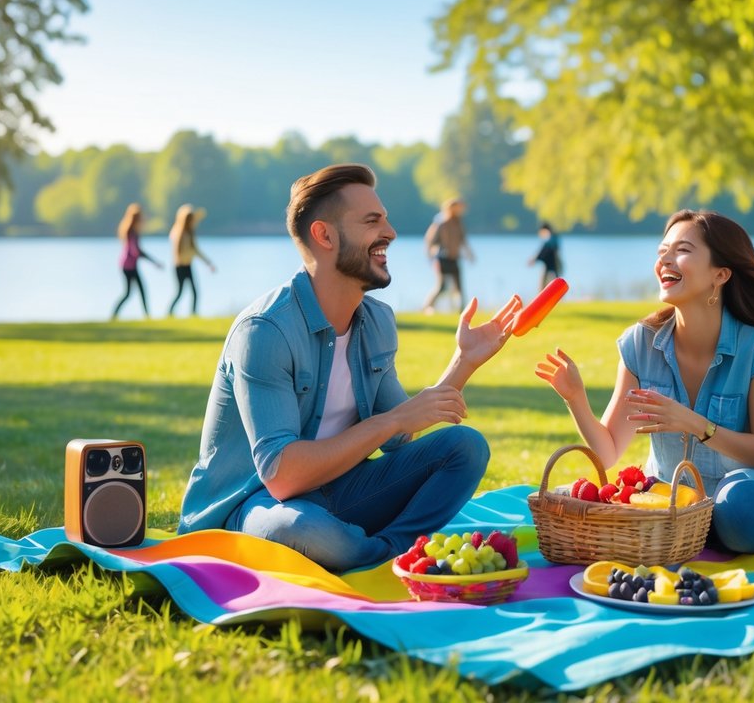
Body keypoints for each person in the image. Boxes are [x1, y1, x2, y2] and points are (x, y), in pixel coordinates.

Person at [177, 164, 523, 573]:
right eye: (372, 221)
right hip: (254, 503)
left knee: (465, 447)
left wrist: (464, 362)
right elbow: (282, 477)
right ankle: (382, 552)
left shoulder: (376, 322)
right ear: (324, 235)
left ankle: (386, 551)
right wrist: (391, 421)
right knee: (308, 532)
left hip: (342, 491)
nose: (390, 233)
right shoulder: (266, 331)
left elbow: (399, 434)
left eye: (387, 219)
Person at [534, 209, 754, 554]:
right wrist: (576, 397)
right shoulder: (640, 343)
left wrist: (695, 424)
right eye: (662, 250)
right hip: (669, 506)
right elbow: (607, 452)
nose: (665, 258)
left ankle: (709, 530)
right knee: (580, 500)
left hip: (741, 500)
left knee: (739, 508)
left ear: (720, 274)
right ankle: (691, 536)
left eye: (682, 250)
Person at [421, 197, 474, 314]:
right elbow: (430, 240)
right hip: (442, 258)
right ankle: (427, 307)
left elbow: (463, 241)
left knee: (459, 287)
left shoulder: (459, 223)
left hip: (454, 259)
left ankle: (463, 312)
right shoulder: (441, 223)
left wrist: (470, 255)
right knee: (442, 286)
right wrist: (430, 255)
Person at [111, 203, 162, 319]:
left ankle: (145, 315)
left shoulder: (130, 231)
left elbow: (136, 251)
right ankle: (145, 315)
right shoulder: (131, 232)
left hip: (129, 265)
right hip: (129, 266)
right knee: (132, 292)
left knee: (133, 292)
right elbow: (136, 251)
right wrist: (154, 261)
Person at [167, 204, 217, 316]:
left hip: (187, 266)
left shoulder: (189, 233)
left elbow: (196, 251)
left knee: (194, 292)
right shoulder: (179, 233)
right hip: (179, 267)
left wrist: (208, 263)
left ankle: (193, 314)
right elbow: (193, 251)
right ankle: (170, 312)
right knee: (180, 292)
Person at [528, 222, 563, 289]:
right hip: (553, 266)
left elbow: (545, 250)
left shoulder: (551, 239)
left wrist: (534, 259)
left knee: (546, 286)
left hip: (551, 266)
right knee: (554, 284)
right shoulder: (554, 238)